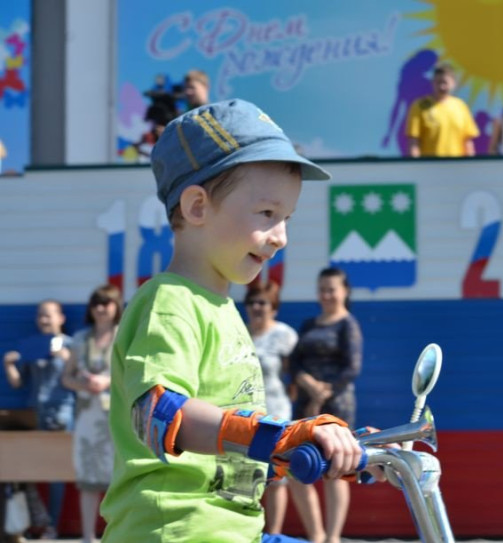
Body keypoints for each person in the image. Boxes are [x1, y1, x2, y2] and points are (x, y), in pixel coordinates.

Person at [98, 99, 363, 543]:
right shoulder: (169, 302)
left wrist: (343, 449)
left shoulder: (223, 310)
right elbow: (158, 413)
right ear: (197, 207)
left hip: (234, 529)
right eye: (267, 214)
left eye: (286, 218)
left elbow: (230, 457)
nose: (281, 237)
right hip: (176, 531)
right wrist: (276, 438)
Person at [289, 267, 363, 543]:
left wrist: (323, 393)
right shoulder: (309, 324)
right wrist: (307, 383)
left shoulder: (348, 324)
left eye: (331, 289)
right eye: (322, 289)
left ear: (345, 291)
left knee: (336, 469)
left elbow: (352, 368)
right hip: (305, 405)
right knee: (296, 467)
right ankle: (316, 535)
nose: (326, 295)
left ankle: (333, 537)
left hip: (337, 406)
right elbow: (294, 362)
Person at [3, 299, 75, 539]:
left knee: (57, 472)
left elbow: (81, 378)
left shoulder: (71, 344)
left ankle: (52, 526)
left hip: (62, 411)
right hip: (36, 411)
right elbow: (18, 382)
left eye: (48, 315)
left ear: (60, 318)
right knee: (29, 470)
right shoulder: (31, 346)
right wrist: (9, 364)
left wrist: (67, 358)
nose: (43, 320)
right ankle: (30, 523)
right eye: (40, 315)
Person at [60, 284, 122, 543]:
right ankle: (88, 536)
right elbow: (67, 377)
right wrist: (85, 384)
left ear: (116, 306)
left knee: (117, 476)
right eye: (96, 303)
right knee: (88, 476)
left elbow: (134, 374)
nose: (100, 308)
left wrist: (107, 382)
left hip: (117, 416)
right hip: (87, 415)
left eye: (106, 303)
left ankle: (117, 534)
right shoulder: (80, 337)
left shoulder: (124, 334)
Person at [243, 282, 301, 535]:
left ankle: (274, 534)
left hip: (277, 412)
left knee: (276, 475)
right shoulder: (239, 332)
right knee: (246, 474)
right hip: (246, 413)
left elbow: (296, 372)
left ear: (274, 308)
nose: (256, 307)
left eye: (262, 302)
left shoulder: (284, 335)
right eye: (252, 302)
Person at [405, 63, 479, 157]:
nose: (441, 87)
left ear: (453, 84)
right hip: (430, 164)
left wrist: (470, 164)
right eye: (438, 82)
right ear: (433, 83)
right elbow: (413, 141)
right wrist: (415, 164)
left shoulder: (461, 107)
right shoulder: (420, 106)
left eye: (445, 83)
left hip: (457, 165)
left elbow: (468, 142)